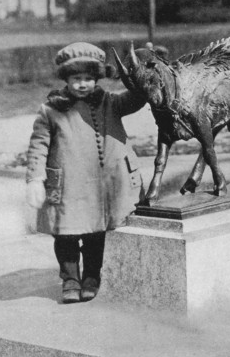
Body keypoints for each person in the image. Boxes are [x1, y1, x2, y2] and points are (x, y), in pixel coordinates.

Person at [26, 42, 146, 304]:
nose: (82, 84)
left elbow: (137, 97)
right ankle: (70, 278)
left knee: (95, 232)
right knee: (66, 233)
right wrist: (35, 178)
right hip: (68, 184)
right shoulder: (51, 110)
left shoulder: (110, 103)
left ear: (96, 79)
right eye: (76, 78)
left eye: (88, 78)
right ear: (66, 79)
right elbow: (38, 145)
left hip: (99, 187)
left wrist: (147, 69)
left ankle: (92, 275)